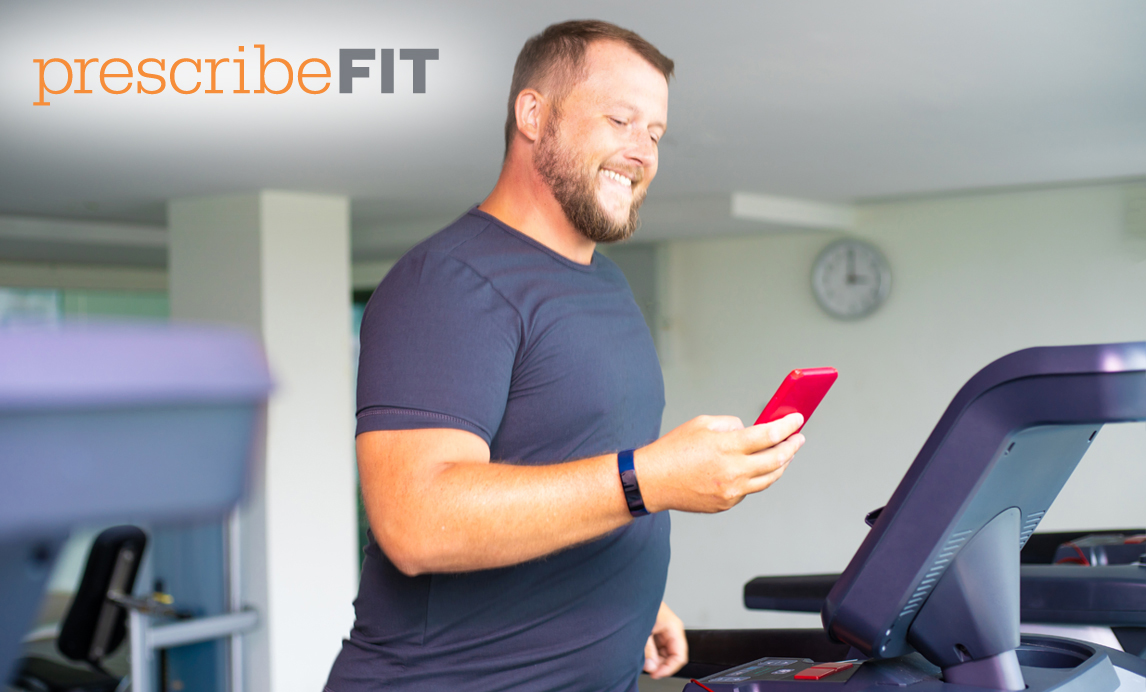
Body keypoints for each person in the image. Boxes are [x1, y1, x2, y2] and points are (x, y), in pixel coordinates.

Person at [325, 19, 806, 692]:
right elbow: (416, 521)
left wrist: (619, 595)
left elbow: (563, 462)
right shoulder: (450, 282)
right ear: (532, 114)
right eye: (620, 120)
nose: (641, 151)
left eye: (655, 133)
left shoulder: (603, 280)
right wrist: (652, 479)